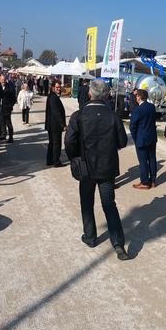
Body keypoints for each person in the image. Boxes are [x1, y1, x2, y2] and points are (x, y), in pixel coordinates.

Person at [65, 79, 129, 261]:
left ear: (90, 94)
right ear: (106, 95)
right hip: (106, 166)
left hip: (86, 165)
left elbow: (69, 141)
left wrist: (74, 157)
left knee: (87, 202)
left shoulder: (79, 115)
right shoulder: (112, 116)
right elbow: (122, 141)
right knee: (109, 204)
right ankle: (118, 243)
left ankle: (90, 236)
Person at [130, 89, 158, 189]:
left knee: (143, 161)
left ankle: (145, 182)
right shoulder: (152, 107)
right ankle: (153, 180)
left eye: (137, 96)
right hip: (152, 137)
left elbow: (132, 126)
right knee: (152, 159)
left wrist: (135, 137)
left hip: (141, 138)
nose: (136, 97)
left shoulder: (137, 110)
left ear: (139, 97)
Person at [45, 80, 66, 167]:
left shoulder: (52, 96)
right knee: (56, 143)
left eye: (59, 87)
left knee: (52, 143)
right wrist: (63, 124)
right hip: (54, 125)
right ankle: (56, 161)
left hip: (51, 124)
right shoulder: (53, 97)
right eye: (57, 87)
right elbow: (56, 112)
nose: (58, 88)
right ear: (53, 87)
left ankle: (50, 160)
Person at [1, 76, 17, 142]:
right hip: (0, 107)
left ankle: (11, 137)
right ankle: (3, 135)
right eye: (2, 80)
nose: (3, 81)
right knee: (2, 122)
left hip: (7, 108)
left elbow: (14, 98)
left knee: (8, 122)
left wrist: (10, 106)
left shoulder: (9, 87)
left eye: (4, 80)